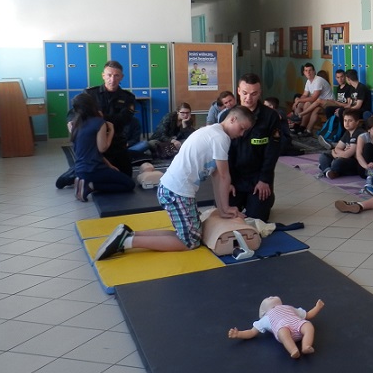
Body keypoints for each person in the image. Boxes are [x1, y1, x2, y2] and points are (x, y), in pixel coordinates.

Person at [93, 106, 255, 260]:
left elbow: (217, 176)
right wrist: (225, 208)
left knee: (189, 234)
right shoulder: (221, 138)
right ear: (232, 119)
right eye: (241, 128)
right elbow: (225, 176)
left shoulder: (212, 131)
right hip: (177, 192)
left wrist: (223, 209)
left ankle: (129, 234)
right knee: (190, 241)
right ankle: (127, 242)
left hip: (174, 189)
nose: (241, 134)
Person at [219, 73, 281, 221]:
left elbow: (272, 152)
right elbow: (223, 153)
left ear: (260, 93)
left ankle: (267, 199)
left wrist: (264, 179)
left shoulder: (270, 117)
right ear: (238, 91)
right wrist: (227, 182)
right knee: (225, 214)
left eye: (254, 94)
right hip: (234, 176)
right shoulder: (226, 116)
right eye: (245, 93)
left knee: (256, 218)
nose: (248, 98)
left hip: (257, 177)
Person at [74, 60, 137, 176]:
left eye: (116, 75)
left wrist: (99, 117)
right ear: (103, 75)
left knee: (127, 177)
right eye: (109, 75)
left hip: (117, 142)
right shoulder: (90, 94)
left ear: (122, 77)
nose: (112, 79)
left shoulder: (128, 97)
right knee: (93, 174)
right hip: (94, 143)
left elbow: (124, 120)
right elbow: (76, 112)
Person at [70, 92, 135, 201]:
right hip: (94, 169)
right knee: (129, 184)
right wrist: (111, 130)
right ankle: (91, 186)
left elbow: (92, 151)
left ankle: (84, 182)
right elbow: (102, 148)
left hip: (80, 169)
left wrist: (109, 165)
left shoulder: (76, 124)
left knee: (116, 176)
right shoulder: (98, 122)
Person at [228, 297, 325, 359]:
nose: (270, 297)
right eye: (267, 299)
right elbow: (252, 332)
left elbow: (307, 315)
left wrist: (317, 307)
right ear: (263, 311)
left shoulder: (289, 307)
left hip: (298, 324)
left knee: (308, 325)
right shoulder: (265, 318)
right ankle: (293, 350)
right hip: (283, 328)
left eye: (271, 297)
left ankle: (306, 346)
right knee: (283, 332)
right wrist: (239, 334)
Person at [318, 108, 364, 179]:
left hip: (357, 162)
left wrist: (335, 154)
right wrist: (340, 152)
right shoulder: (348, 132)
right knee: (324, 155)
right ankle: (329, 171)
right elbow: (338, 147)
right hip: (345, 157)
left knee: (338, 162)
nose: (347, 123)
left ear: (357, 122)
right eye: (345, 120)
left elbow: (347, 155)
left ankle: (327, 167)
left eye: (350, 121)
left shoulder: (359, 132)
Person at [292, 63, 334, 134]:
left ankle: (303, 127)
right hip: (317, 103)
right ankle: (297, 125)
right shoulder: (308, 81)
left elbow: (313, 98)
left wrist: (299, 100)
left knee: (308, 104)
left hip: (327, 103)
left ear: (314, 71)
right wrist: (298, 101)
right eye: (306, 71)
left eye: (310, 70)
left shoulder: (318, 80)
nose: (308, 72)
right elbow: (305, 95)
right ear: (304, 72)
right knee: (300, 104)